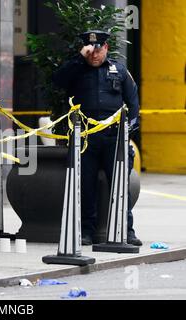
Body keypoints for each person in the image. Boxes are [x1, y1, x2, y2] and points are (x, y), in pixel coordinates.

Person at [52, 30, 142, 246]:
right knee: (85, 187)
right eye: (90, 50)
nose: (94, 54)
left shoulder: (119, 70)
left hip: (113, 139)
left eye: (98, 49)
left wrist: (127, 132)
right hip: (85, 140)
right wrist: (78, 58)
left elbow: (133, 104)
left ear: (106, 48)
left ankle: (126, 231)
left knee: (120, 185)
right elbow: (57, 81)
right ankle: (85, 231)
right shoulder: (76, 70)